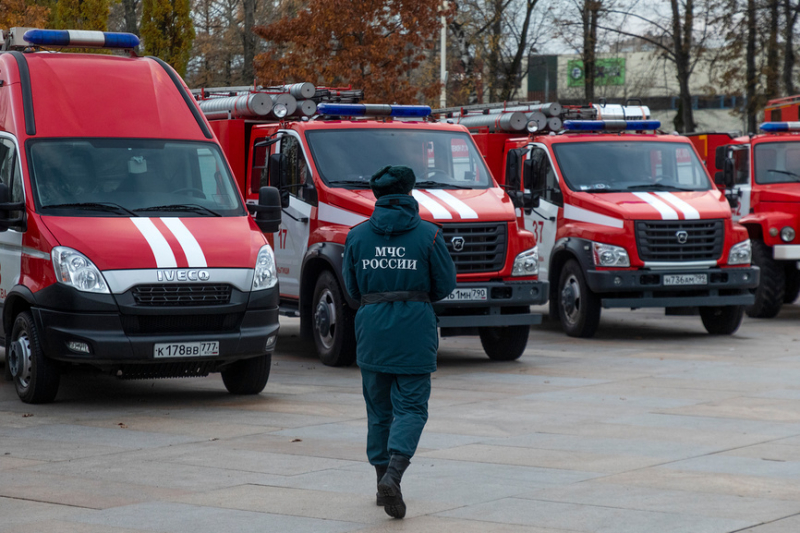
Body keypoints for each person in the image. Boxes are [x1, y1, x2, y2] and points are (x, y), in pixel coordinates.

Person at [343, 165, 456, 519]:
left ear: (377, 196)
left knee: (378, 411)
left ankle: (381, 481)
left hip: (372, 330)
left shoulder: (357, 236)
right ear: (409, 193)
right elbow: (445, 285)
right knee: (411, 408)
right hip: (414, 329)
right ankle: (394, 474)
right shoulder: (429, 236)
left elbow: (350, 289)